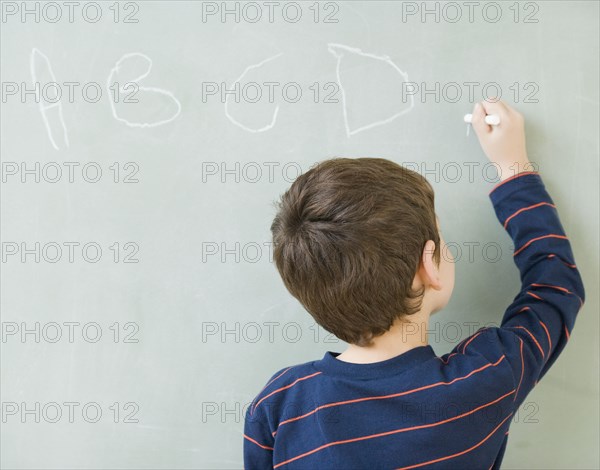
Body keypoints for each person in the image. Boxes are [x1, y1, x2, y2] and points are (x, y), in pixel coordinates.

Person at [243, 99, 585, 469]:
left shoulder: (279, 405)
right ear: (428, 266)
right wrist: (513, 165)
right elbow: (556, 286)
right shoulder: (483, 380)